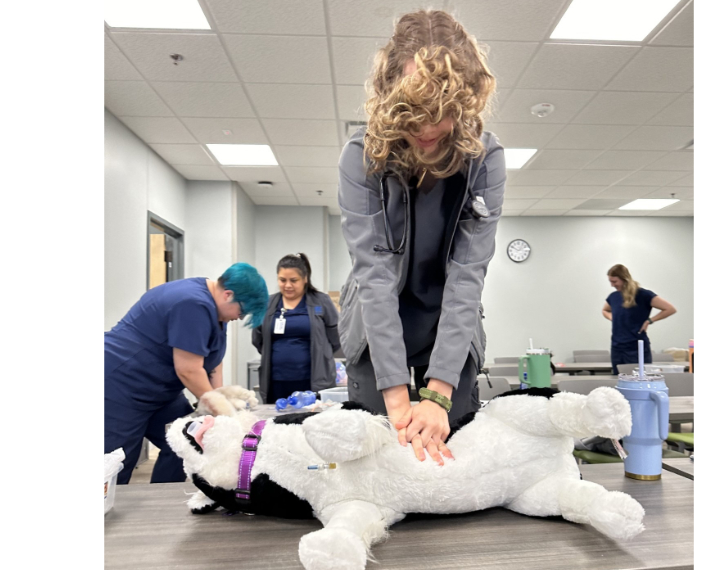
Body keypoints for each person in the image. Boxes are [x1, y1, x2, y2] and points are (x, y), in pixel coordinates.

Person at [337, 9, 503, 466]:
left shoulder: (485, 159)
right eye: (413, 112)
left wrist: (440, 393)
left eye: (443, 113)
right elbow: (372, 274)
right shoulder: (360, 156)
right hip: (376, 322)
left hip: (450, 322)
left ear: (467, 102)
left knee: (456, 450)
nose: (427, 130)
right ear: (388, 95)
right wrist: (396, 396)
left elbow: (468, 275)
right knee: (378, 453)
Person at [104, 262, 268, 484]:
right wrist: (226, 415)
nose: (240, 317)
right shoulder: (193, 304)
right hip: (122, 385)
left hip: (161, 391)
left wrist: (217, 405)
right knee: (118, 461)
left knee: (191, 439)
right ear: (228, 295)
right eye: (243, 311)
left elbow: (212, 362)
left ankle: (163, 504)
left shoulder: (218, 311)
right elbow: (188, 370)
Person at [252, 253, 341, 403]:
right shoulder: (268, 304)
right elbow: (258, 339)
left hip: (312, 381)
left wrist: (321, 353)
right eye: (282, 280)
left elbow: (336, 337)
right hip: (276, 381)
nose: (287, 285)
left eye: (293, 280)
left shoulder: (321, 301)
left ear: (305, 279)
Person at [602, 264, 677, 374]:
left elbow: (670, 309)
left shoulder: (643, 295)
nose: (612, 285)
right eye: (610, 281)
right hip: (617, 347)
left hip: (637, 348)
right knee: (618, 379)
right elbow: (605, 310)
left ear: (624, 279)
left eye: (614, 281)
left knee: (639, 379)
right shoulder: (613, 297)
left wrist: (649, 321)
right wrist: (613, 318)